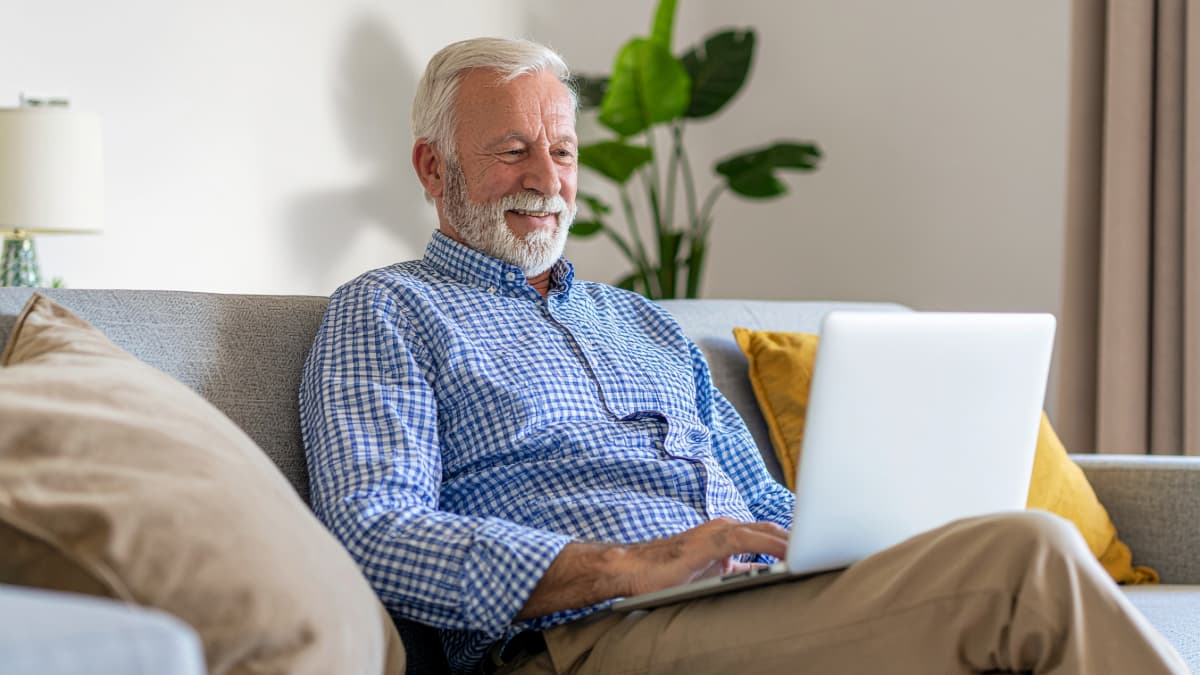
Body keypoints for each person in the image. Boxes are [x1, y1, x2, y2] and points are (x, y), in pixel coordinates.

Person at [298, 37, 1188, 675]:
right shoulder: (388, 311)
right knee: (1027, 556)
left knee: (994, 548)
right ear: (432, 167)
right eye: (512, 151)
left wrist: (871, 539)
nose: (546, 178)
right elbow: (377, 528)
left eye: (562, 151)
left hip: (745, 599)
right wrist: (633, 564)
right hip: (586, 634)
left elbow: (759, 501)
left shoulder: (642, 321)